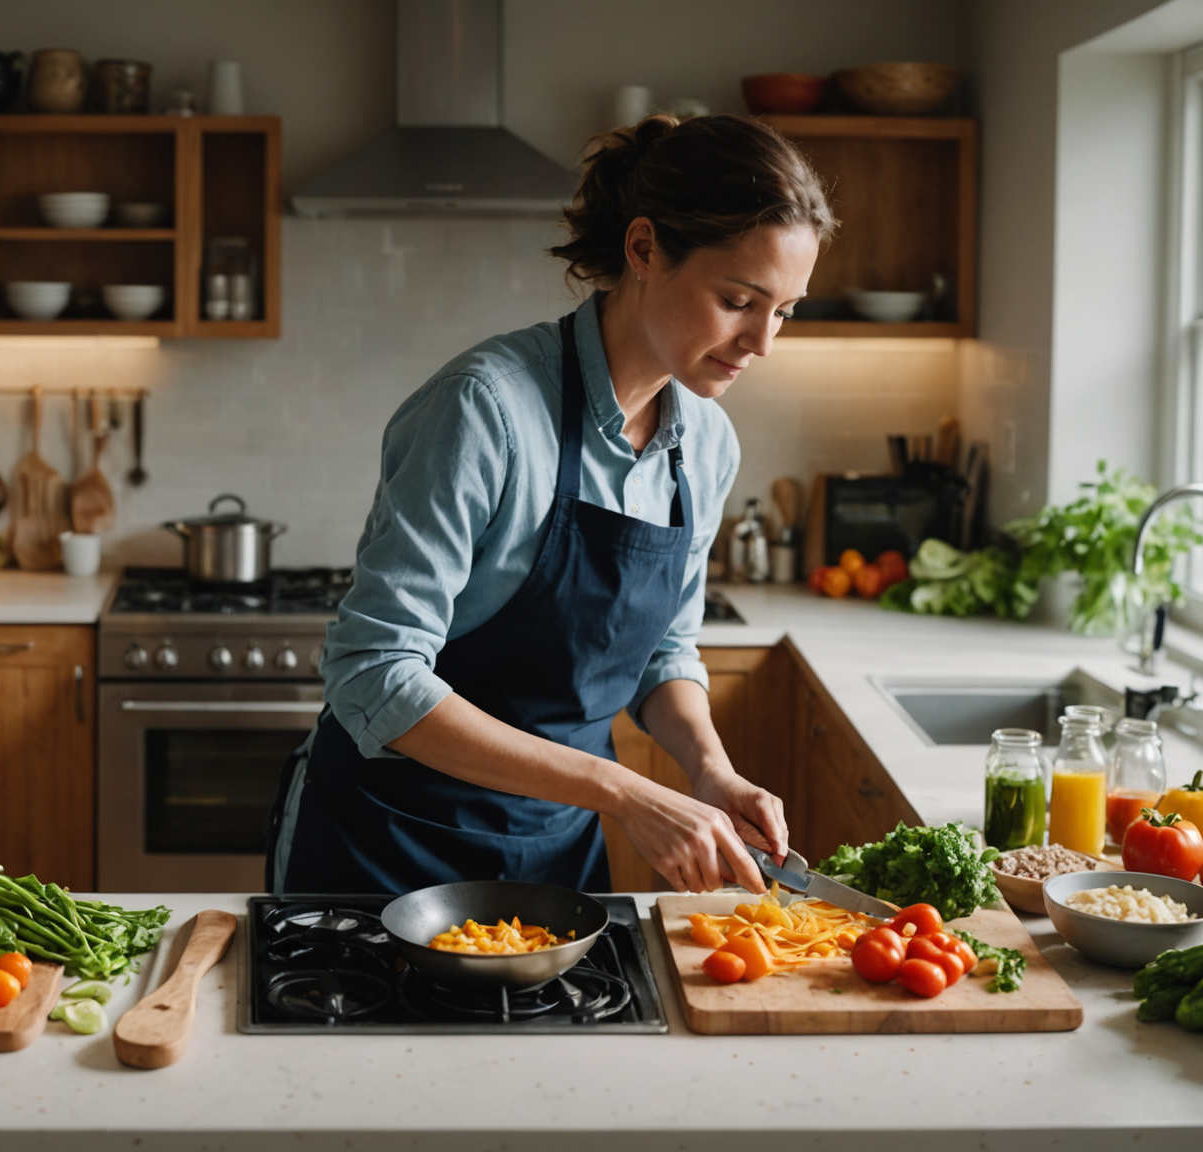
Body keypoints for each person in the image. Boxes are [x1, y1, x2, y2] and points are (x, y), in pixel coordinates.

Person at [268, 113, 835, 896]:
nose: (762, 341)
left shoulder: (706, 443)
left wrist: (710, 771)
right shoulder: (484, 409)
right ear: (643, 249)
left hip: (553, 856)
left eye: (784, 310)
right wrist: (622, 790)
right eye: (739, 299)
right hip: (387, 848)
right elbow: (373, 674)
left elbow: (664, 651)